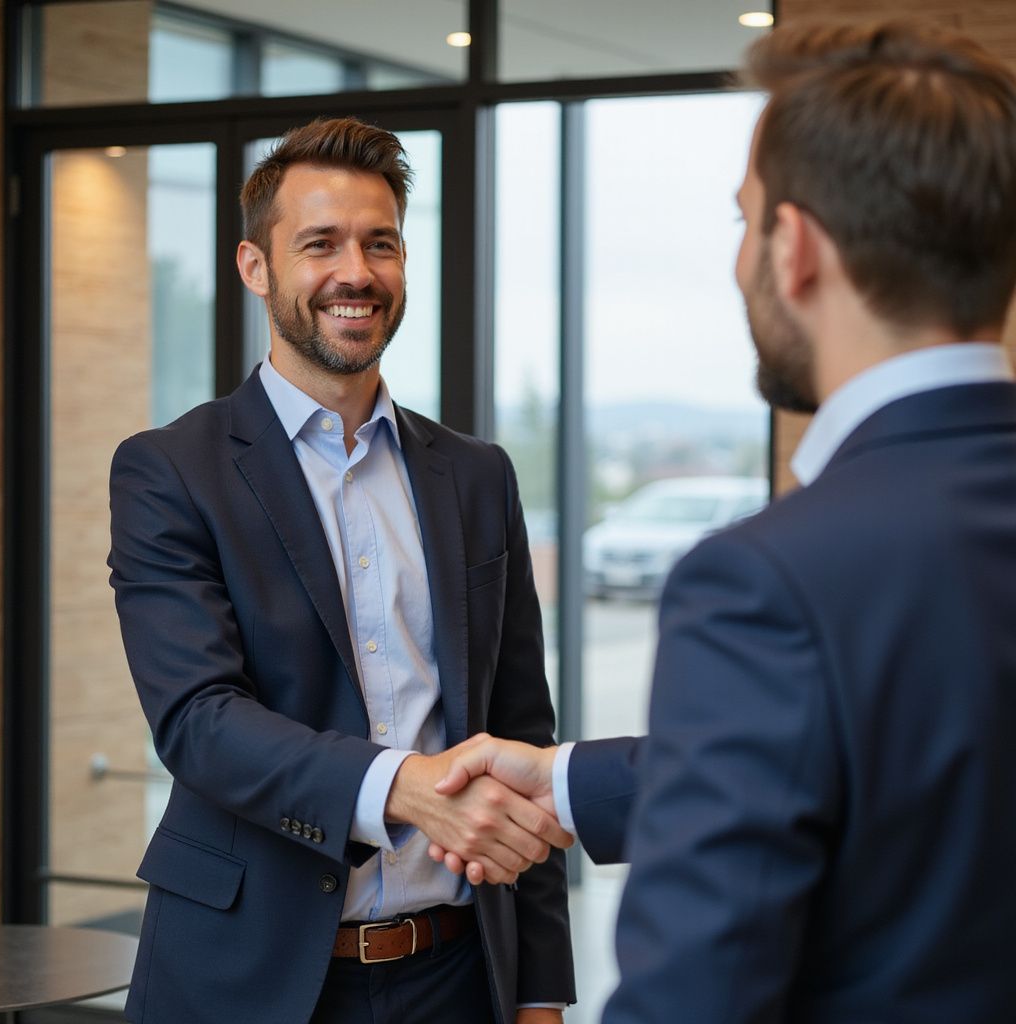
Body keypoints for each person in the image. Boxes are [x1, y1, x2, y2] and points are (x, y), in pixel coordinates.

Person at [432, 20, 1016, 1024]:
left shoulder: (767, 580)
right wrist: (568, 781)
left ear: (794, 249)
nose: (739, 254)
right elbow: (923, 752)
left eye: (744, 220)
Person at [108, 116, 575, 1024]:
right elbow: (199, 722)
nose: (355, 273)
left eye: (381, 244)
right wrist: (406, 790)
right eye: (319, 243)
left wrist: (542, 990)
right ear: (256, 267)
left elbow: (523, 732)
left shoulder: (478, 474)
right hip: (249, 975)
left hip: (457, 977)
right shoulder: (169, 469)